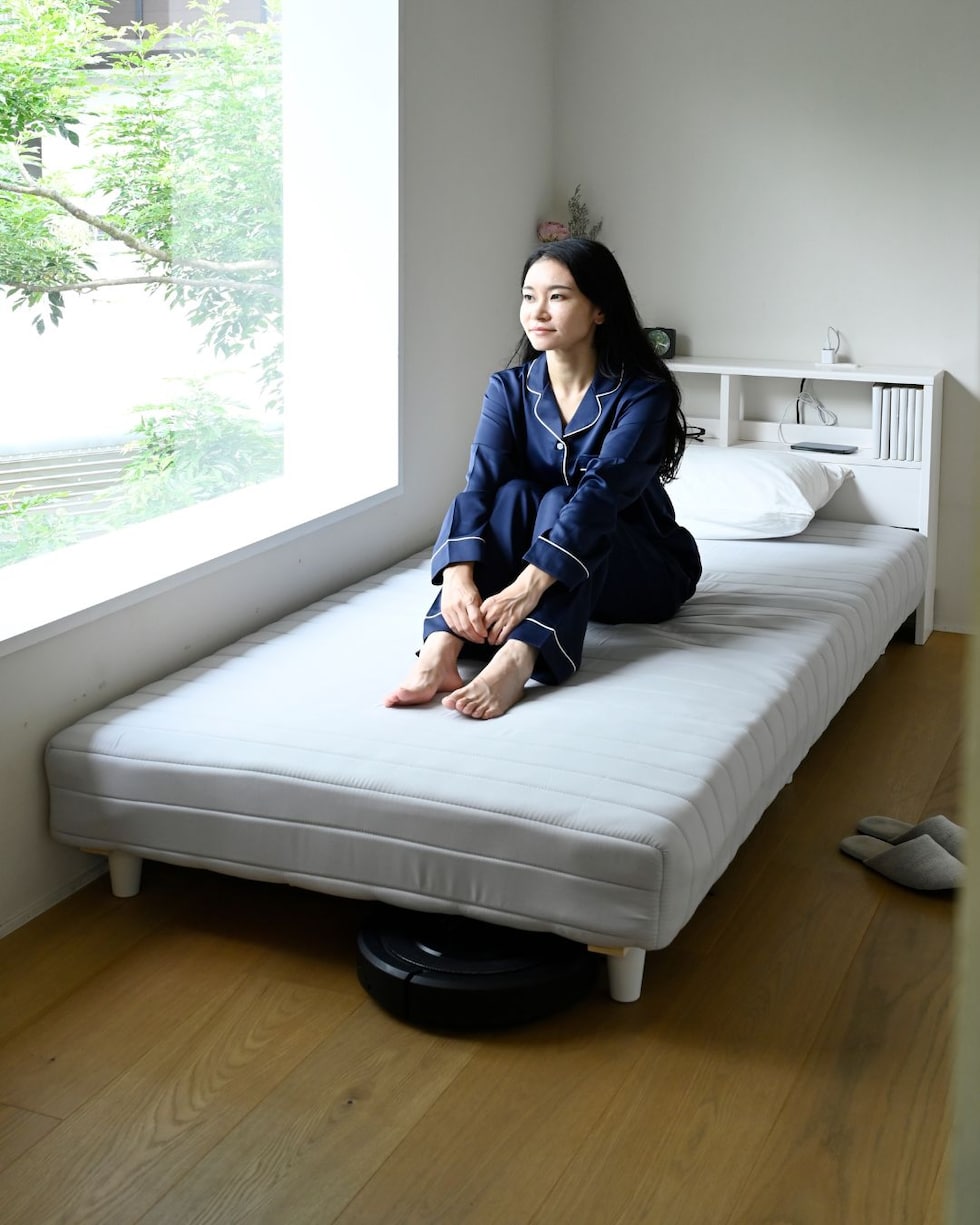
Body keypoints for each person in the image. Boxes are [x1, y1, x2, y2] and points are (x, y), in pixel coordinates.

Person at [384, 237, 701, 720]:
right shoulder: (508, 389)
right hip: (554, 569)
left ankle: (519, 656)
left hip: (639, 569)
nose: (538, 311)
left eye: (558, 296)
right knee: (512, 494)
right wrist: (457, 578)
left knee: (563, 498)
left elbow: (600, 497)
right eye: (529, 296)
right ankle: (441, 650)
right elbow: (480, 488)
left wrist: (527, 588)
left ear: (599, 309)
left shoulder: (643, 394)